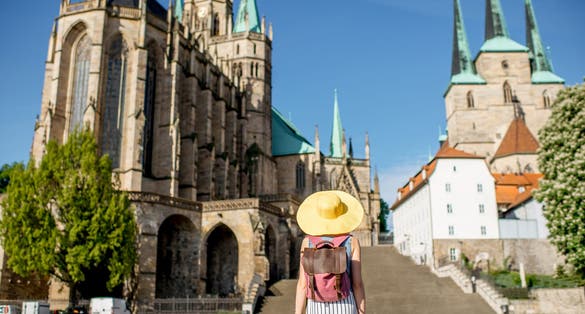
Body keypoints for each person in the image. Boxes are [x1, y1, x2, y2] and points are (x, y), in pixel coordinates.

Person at [294, 190, 366, 314]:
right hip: (345, 305)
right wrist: (362, 312)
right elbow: (357, 284)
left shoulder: (307, 242)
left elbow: (302, 284)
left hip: (316, 306)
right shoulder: (352, 241)